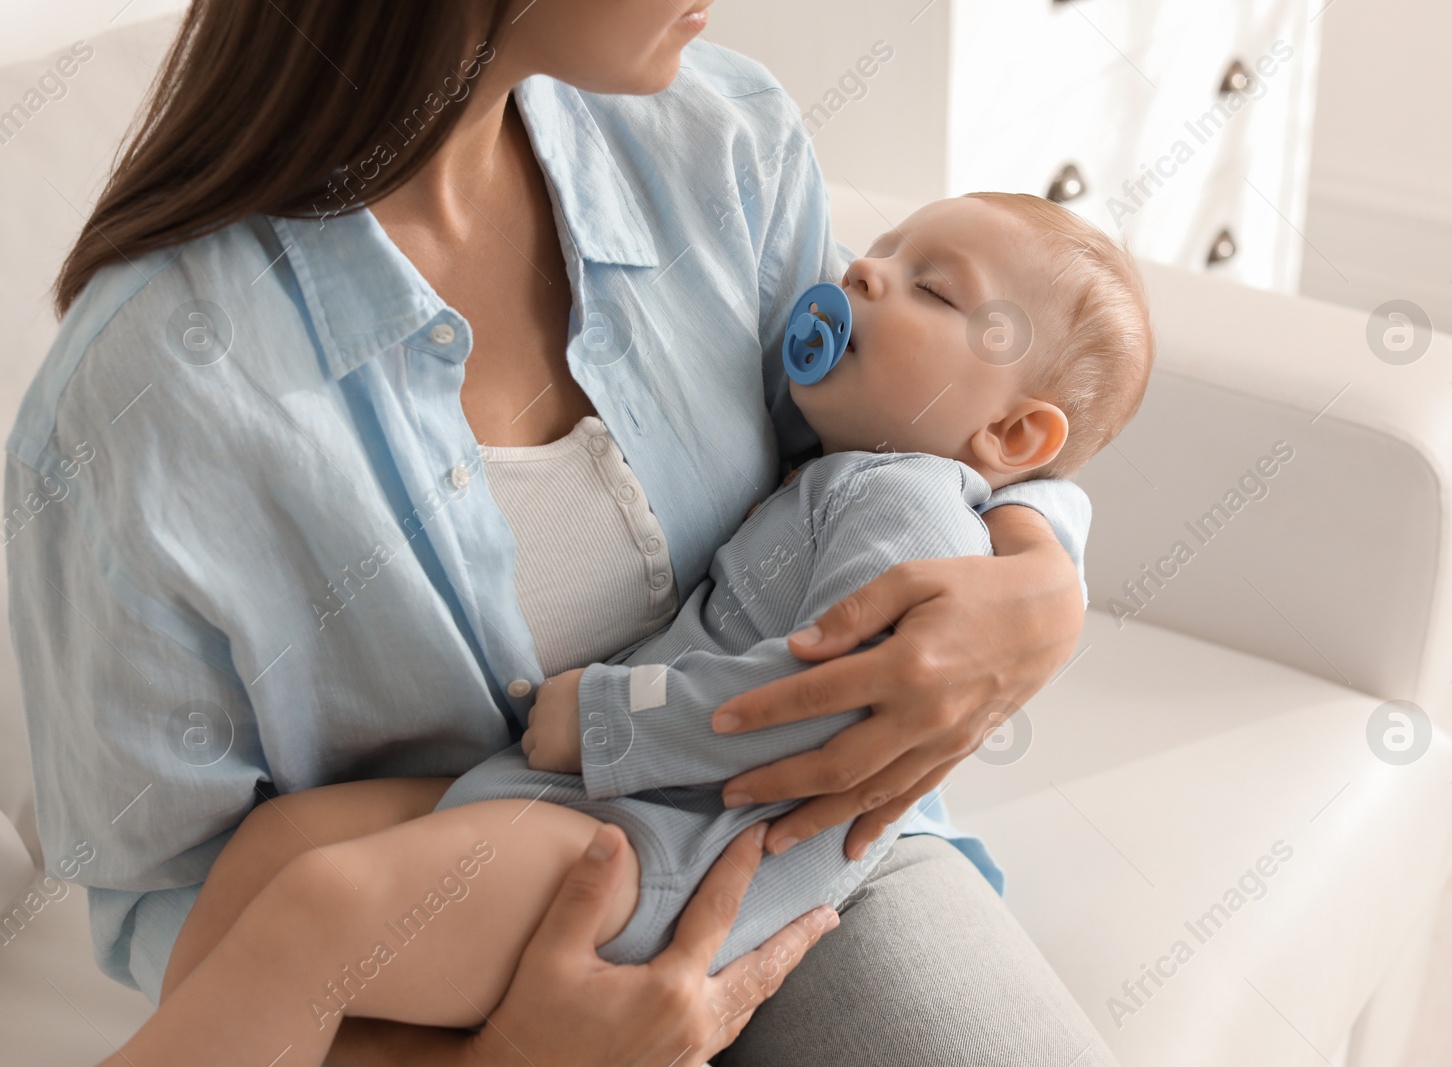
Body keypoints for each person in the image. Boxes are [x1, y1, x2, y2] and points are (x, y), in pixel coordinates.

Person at [12, 2, 1120, 1063]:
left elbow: (893, 452)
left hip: (793, 852)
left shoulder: (721, 139)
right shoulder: (147, 397)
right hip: (469, 900)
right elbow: (170, 894)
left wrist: (1037, 563)